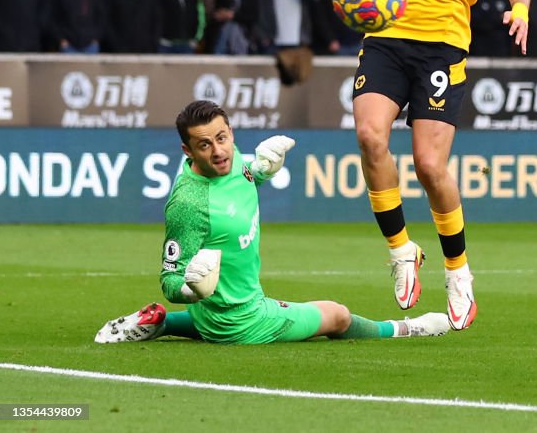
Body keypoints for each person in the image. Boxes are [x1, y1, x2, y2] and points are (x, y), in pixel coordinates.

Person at [312, 0, 530, 331]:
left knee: (430, 167)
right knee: (369, 135)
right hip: (386, 39)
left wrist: (520, 7)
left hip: (443, 48)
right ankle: (402, 251)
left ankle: (458, 271)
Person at [94, 100, 450, 344]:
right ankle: (408, 328)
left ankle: (160, 322)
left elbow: (240, 182)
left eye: (222, 138)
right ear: (188, 152)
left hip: (214, 311)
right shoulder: (188, 204)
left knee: (217, 314)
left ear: (231, 131)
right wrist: (189, 291)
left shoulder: (234, 163)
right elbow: (170, 278)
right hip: (240, 321)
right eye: (204, 145)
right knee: (337, 316)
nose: (218, 151)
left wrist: (261, 171)